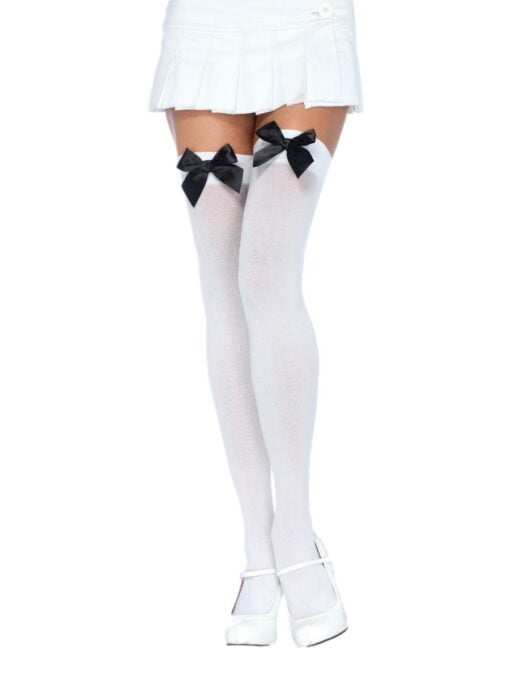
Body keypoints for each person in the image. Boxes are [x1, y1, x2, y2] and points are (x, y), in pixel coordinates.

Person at [148, 0, 364, 647]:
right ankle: (257, 549)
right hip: (205, 26)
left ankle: (296, 535)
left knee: (265, 276)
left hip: (306, 21)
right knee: (221, 285)